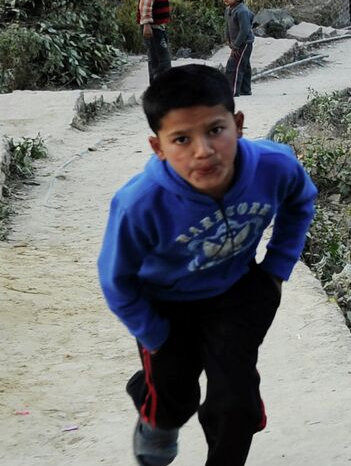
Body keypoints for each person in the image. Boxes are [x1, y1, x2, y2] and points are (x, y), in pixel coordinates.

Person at [98, 64, 317, 466]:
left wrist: (275, 271)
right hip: (165, 307)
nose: (203, 150)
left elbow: (301, 201)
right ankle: (155, 413)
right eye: (181, 139)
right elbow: (117, 280)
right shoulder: (140, 204)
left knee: (238, 404)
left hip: (237, 293)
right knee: (174, 398)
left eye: (216, 130)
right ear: (158, 147)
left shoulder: (274, 165)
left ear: (238, 124)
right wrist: (154, 335)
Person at [138, 0, 174, 84]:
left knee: (156, 59)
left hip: (157, 27)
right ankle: (160, 92)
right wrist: (146, 25)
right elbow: (145, 5)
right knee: (161, 61)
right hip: (153, 28)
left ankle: (158, 91)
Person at [221, 0, 254, 98]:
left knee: (233, 66)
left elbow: (244, 30)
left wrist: (235, 45)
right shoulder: (228, 10)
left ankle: (233, 90)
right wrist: (228, 40)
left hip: (243, 43)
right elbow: (227, 26)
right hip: (236, 43)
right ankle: (245, 89)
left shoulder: (242, 11)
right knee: (244, 65)